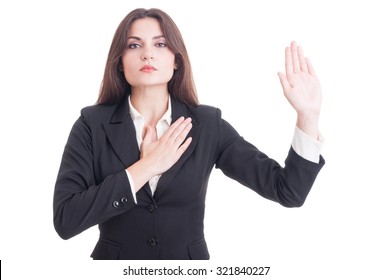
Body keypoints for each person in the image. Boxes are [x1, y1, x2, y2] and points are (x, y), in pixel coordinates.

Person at [53, 8, 325, 260]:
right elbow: (66, 220)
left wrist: (308, 117)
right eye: (134, 45)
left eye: (160, 44)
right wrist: (145, 168)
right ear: (120, 62)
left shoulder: (207, 124)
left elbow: (288, 191)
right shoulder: (91, 124)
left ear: (176, 61)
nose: (147, 54)